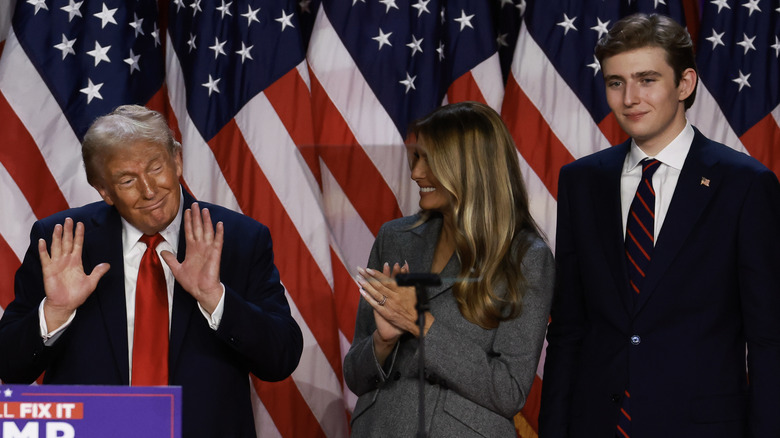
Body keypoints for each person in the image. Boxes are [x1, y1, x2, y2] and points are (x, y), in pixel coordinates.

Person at [539, 13, 780, 438]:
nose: (630, 97)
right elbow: (569, 329)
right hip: (596, 425)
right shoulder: (581, 181)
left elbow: (768, 339)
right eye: (616, 82)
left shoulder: (744, 184)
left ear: (684, 84)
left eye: (647, 79)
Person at [0, 105, 303, 437]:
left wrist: (215, 298)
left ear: (176, 161)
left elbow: (280, 359)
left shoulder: (238, 239)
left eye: (156, 167)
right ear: (104, 190)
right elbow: (10, 366)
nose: (149, 190)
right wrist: (55, 311)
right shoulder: (64, 240)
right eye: (127, 180)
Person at [343, 101, 555, 437]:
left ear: (472, 167)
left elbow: (509, 391)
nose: (416, 173)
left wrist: (420, 324)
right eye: (417, 157)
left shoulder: (527, 258)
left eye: (430, 159)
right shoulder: (395, 237)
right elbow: (356, 378)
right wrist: (382, 343)